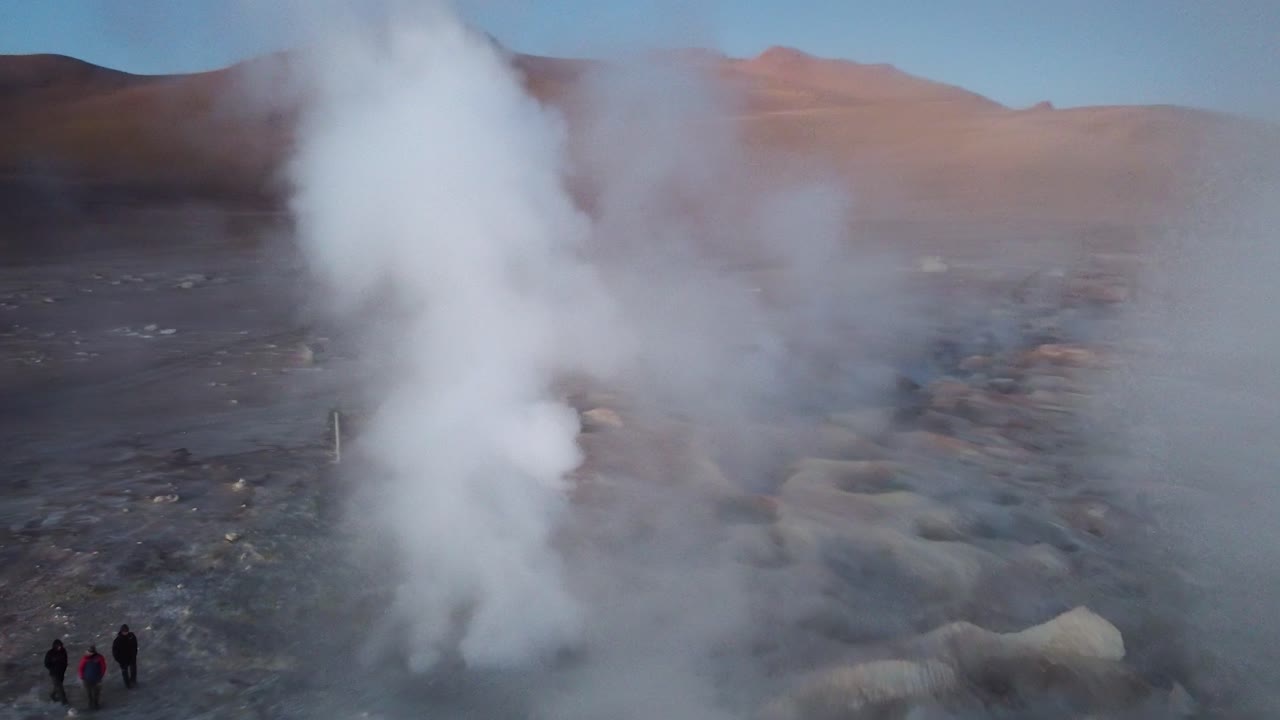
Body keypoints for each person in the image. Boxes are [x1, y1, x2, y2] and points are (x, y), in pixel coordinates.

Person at [78, 645, 107, 710]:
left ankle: (96, 704)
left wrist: (101, 675)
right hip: (87, 679)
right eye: (89, 652)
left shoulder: (99, 657)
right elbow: (81, 668)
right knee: (89, 693)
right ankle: (90, 703)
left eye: (91, 652)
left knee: (96, 692)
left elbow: (103, 667)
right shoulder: (85, 658)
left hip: (97, 678)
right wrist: (82, 676)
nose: (89, 653)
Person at [112, 624, 138, 688]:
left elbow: (135, 645)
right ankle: (127, 684)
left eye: (127, 631)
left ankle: (133, 680)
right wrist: (119, 660)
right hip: (123, 660)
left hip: (132, 657)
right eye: (124, 631)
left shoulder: (131, 636)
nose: (126, 633)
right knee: (125, 672)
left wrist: (134, 654)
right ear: (121, 631)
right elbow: (115, 651)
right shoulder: (117, 640)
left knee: (133, 669)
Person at [43, 639, 68, 704]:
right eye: (58, 646)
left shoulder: (63, 651)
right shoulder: (50, 653)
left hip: (61, 672)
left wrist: (64, 667)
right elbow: (46, 663)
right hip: (54, 673)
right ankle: (64, 702)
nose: (60, 647)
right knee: (60, 688)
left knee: (57, 686)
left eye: (60, 646)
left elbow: (65, 660)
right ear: (55, 646)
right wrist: (52, 668)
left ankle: (52, 695)